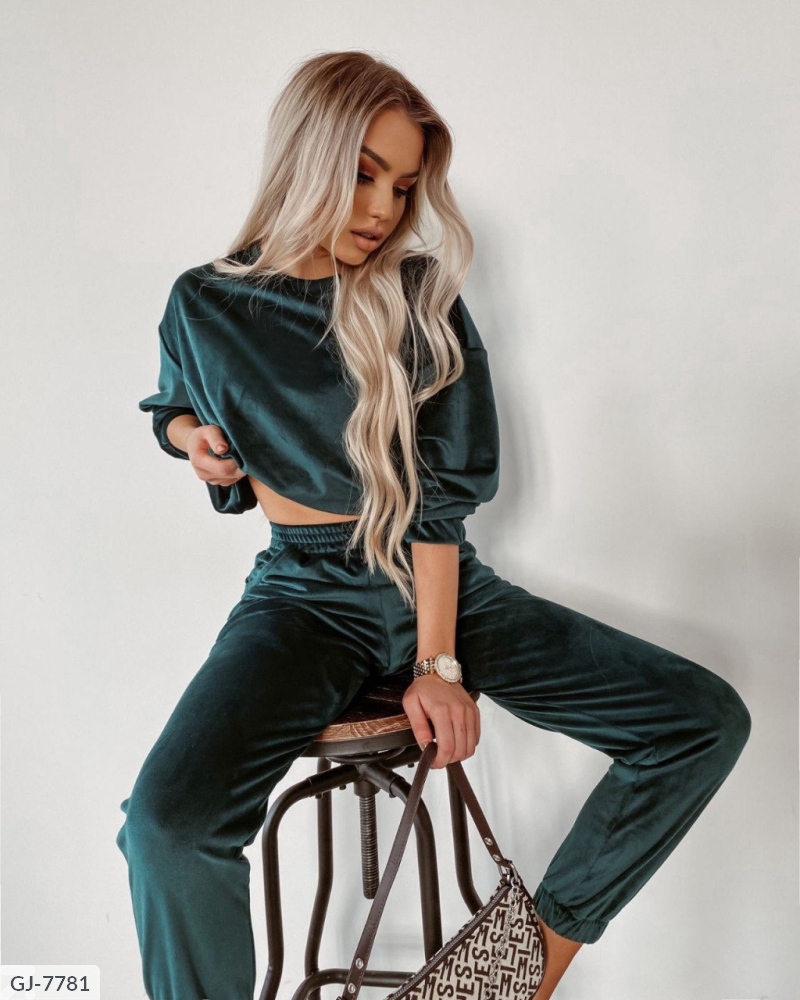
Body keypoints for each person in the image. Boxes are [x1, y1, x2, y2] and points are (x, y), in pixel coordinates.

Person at [115, 50, 750, 1000]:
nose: (383, 209)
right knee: (166, 826)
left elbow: (437, 504)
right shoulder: (204, 302)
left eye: (404, 186)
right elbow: (173, 401)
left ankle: (523, 970)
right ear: (307, 158)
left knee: (698, 720)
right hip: (303, 596)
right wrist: (190, 439)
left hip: (436, 579)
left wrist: (438, 663)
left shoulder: (418, 293)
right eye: (364, 174)